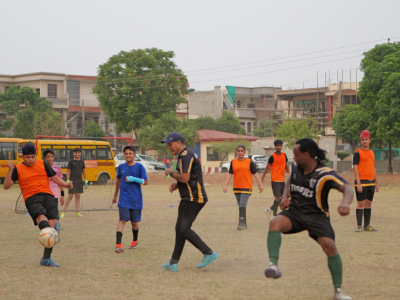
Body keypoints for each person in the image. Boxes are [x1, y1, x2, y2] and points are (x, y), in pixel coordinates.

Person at [264, 138, 353, 300]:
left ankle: (338, 290)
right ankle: (273, 265)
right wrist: (285, 196)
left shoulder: (324, 173)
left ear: (306, 155)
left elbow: (347, 187)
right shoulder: (295, 168)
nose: (294, 159)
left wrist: (345, 203)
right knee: (274, 222)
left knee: (330, 247)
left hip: (317, 217)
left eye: (296, 156)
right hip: (296, 212)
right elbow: (290, 180)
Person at [4, 143, 73, 267]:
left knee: (54, 225)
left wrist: (66, 184)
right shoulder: (18, 168)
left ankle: (46, 259)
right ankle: (49, 236)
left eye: (32, 157)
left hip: (48, 195)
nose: (30, 159)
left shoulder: (42, 163)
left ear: (36, 155)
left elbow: (55, 178)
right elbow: (6, 186)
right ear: (22, 157)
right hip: (31, 198)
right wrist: (10, 170)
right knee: (43, 219)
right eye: (27, 157)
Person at [161, 132, 218, 272]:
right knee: (180, 229)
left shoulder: (186, 155)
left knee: (183, 228)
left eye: (170, 144)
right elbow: (188, 178)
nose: (169, 147)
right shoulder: (183, 155)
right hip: (189, 197)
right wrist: (177, 184)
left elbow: (185, 178)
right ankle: (173, 262)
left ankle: (208, 253)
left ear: (179, 142)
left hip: (194, 198)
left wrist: (170, 172)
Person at [112, 146, 148, 253]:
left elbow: (145, 182)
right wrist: (115, 195)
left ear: (134, 155)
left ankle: (135, 240)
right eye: (126, 153)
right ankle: (118, 244)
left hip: (136, 199)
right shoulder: (121, 167)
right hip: (124, 198)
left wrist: (133, 179)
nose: (128, 155)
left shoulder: (139, 167)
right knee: (122, 220)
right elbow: (118, 181)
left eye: (130, 153)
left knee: (134, 222)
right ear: (124, 155)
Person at [223, 145, 264, 230]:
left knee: (242, 204)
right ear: (236, 152)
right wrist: (225, 185)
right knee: (241, 206)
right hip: (236, 187)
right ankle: (244, 224)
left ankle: (240, 223)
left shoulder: (249, 162)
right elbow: (230, 174)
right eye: (238, 151)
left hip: (246, 187)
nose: (240, 152)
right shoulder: (233, 162)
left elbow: (255, 173)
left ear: (245, 152)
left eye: (242, 151)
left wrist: (260, 184)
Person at [353, 130, 379, 232]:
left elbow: (373, 168)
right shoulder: (357, 153)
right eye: (363, 140)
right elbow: (355, 168)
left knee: (368, 204)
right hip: (361, 182)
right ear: (361, 141)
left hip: (371, 182)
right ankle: (359, 226)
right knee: (360, 203)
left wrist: (376, 182)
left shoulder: (372, 153)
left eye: (366, 139)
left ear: (369, 140)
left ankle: (367, 225)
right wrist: (358, 183)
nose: (364, 141)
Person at [261, 139, 290, 219]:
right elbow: (267, 168)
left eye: (280, 145)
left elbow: (286, 166)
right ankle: (274, 215)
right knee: (277, 198)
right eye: (277, 146)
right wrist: (261, 180)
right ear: (275, 147)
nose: (279, 147)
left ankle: (269, 209)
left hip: (282, 180)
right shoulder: (272, 157)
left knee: (283, 198)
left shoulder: (284, 155)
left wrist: (291, 173)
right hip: (275, 180)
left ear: (282, 146)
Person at [43, 148, 64, 240]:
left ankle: (56, 234)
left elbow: (60, 182)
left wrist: (62, 195)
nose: (50, 158)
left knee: (54, 215)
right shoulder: (42, 168)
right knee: (45, 215)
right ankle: (48, 233)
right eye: (48, 157)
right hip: (44, 194)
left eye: (51, 156)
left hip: (54, 195)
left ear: (53, 157)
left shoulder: (57, 169)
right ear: (45, 158)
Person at [61, 148, 88, 218]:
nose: (77, 154)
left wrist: (86, 180)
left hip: (79, 180)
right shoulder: (71, 161)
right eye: (76, 153)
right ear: (74, 153)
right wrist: (67, 180)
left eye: (79, 153)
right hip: (72, 180)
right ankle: (63, 212)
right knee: (70, 196)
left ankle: (77, 212)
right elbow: (67, 171)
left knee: (78, 196)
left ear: (80, 153)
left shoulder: (82, 162)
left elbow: (83, 171)